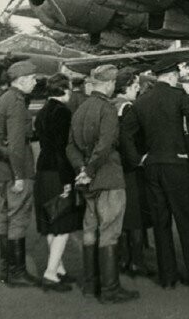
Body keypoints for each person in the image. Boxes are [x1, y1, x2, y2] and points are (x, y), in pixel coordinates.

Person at [123, 56, 189, 289]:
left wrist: (139, 158)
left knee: (161, 222)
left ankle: (167, 277)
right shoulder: (178, 96)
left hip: (152, 167)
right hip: (176, 166)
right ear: (172, 77)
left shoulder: (141, 101)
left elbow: (126, 134)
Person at [66, 64, 139, 304]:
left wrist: (81, 170)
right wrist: (89, 169)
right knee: (110, 231)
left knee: (90, 229)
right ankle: (110, 289)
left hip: (87, 181)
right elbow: (105, 145)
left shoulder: (80, 109)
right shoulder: (107, 110)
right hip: (107, 177)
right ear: (108, 84)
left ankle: (91, 284)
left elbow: (70, 146)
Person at [0, 60, 38, 287]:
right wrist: (19, 176)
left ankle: (7, 269)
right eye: (33, 78)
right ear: (22, 80)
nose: (36, 82)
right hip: (17, 167)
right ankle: (17, 273)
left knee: (5, 216)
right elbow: (16, 145)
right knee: (17, 217)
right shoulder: (17, 102)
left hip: (0, 167)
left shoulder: (5, 98)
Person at [34, 73, 84, 292]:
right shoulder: (62, 112)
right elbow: (63, 150)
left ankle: (59, 268)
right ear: (64, 89)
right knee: (63, 224)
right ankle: (50, 273)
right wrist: (67, 180)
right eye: (70, 89)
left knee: (51, 221)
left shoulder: (43, 111)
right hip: (58, 172)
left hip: (43, 170)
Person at [113, 67, 154, 278]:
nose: (138, 90)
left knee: (121, 216)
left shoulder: (110, 105)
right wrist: (140, 158)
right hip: (131, 168)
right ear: (127, 86)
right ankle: (137, 261)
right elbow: (132, 138)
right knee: (136, 216)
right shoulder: (128, 108)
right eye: (136, 86)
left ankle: (122, 258)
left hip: (114, 166)